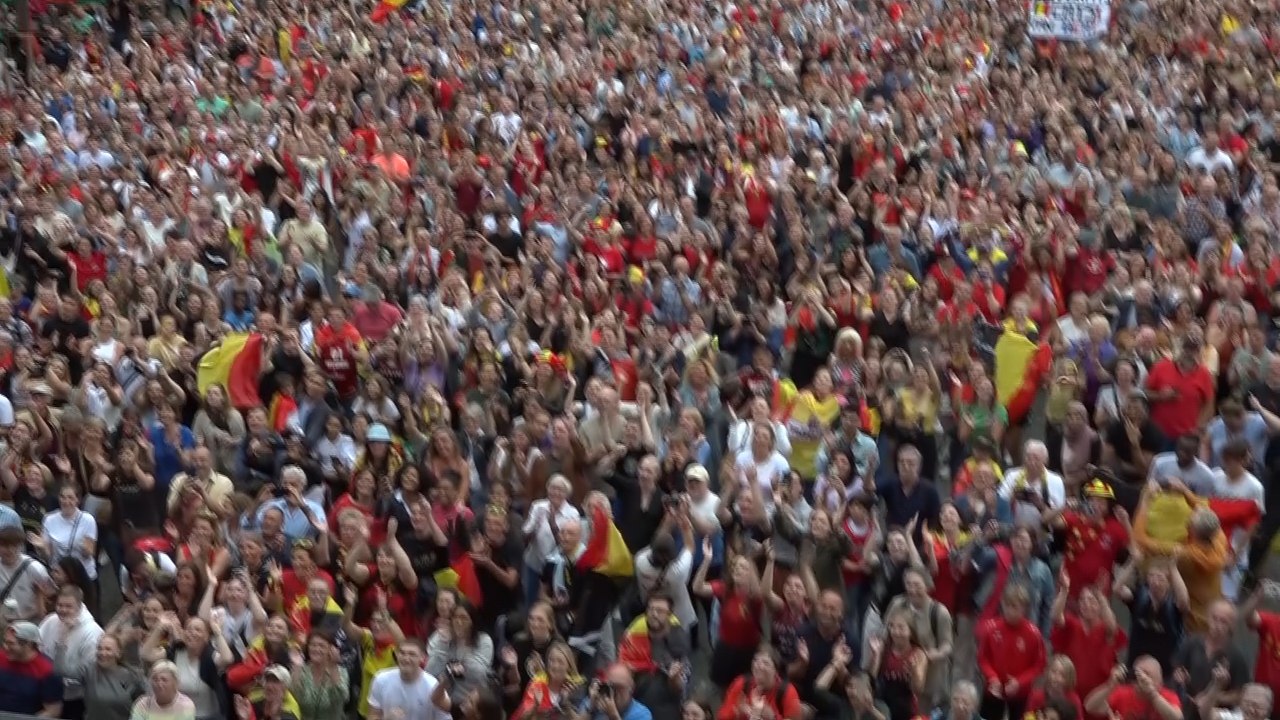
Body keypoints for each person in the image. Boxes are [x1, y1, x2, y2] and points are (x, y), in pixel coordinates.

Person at [38, 584, 104, 720]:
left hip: (74, 697)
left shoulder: (92, 632)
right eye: (60, 605)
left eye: (68, 606)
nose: (63, 610)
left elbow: (88, 671)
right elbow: (38, 646)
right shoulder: (50, 621)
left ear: (79, 606)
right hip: (46, 689)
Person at [367, 639, 451, 720]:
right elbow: (372, 715)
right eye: (402, 653)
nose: (406, 659)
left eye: (412, 654)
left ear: (422, 658)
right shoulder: (381, 679)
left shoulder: (432, 686)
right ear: (396, 654)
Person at [0, 621, 62, 717]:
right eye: (5, 642)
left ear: (28, 645)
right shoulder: (2, 658)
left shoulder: (47, 670)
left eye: (11, 644)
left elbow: (53, 710)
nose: (5, 647)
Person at [83, 634, 146, 720]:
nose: (102, 653)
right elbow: (68, 672)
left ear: (118, 653)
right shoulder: (89, 671)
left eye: (108, 649)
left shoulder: (132, 675)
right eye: (100, 648)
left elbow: (144, 703)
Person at [129, 661, 196, 720]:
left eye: (164, 680)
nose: (159, 684)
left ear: (175, 683)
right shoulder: (143, 704)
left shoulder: (186, 705)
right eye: (155, 680)